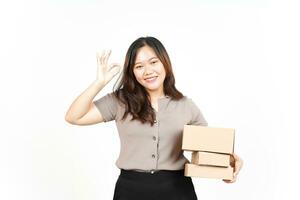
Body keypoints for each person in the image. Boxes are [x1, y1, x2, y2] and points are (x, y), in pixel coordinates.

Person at [65, 36, 243, 200]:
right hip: (130, 190)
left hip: (177, 190)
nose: (147, 71)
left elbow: (208, 148)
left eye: (153, 62)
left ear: (164, 63)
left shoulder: (186, 105)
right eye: (139, 66)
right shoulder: (119, 101)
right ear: (132, 72)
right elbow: (74, 117)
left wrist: (229, 163)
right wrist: (99, 83)